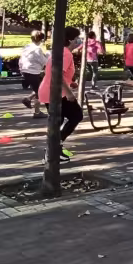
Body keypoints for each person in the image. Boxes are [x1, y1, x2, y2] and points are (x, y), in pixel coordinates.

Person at [39, 27, 84, 163]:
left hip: (50, 90)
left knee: (58, 121)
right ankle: (53, 150)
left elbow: (60, 74)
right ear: (71, 39)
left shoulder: (61, 52)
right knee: (76, 115)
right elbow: (57, 74)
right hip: (56, 92)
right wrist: (69, 93)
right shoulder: (66, 54)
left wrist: (71, 83)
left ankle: (53, 151)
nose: (79, 40)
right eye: (77, 37)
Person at [19, 31, 48, 117]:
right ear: (41, 40)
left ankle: (28, 99)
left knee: (39, 87)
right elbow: (44, 62)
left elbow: (21, 59)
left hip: (25, 70)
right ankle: (37, 112)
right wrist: (47, 55)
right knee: (39, 91)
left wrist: (21, 69)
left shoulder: (26, 47)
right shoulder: (37, 49)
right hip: (33, 72)